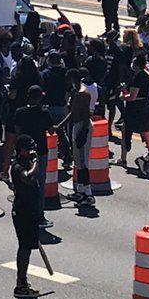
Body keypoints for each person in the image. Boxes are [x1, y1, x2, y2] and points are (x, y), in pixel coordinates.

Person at [13, 85, 55, 229]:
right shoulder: (44, 113)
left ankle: (25, 213)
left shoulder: (20, 112)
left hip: (22, 152)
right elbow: (50, 131)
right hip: (40, 152)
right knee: (39, 185)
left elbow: (17, 132)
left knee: (22, 185)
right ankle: (39, 216)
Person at [10, 135, 41, 298]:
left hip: (30, 211)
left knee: (28, 247)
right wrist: (36, 163)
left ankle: (23, 281)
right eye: (28, 148)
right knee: (25, 247)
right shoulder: (17, 167)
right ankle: (20, 284)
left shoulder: (27, 163)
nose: (31, 151)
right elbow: (28, 177)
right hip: (23, 212)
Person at [60, 69, 95, 206]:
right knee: (78, 162)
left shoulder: (82, 93)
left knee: (83, 162)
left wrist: (84, 132)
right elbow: (72, 112)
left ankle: (88, 194)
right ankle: (80, 191)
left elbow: (86, 114)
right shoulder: (76, 93)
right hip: (76, 124)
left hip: (82, 125)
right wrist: (60, 126)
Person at [119, 55, 149, 167]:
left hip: (135, 109)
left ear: (136, 65)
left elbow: (132, 96)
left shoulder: (137, 78)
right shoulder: (146, 76)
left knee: (125, 131)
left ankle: (123, 158)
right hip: (146, 106)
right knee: (146, 132)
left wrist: (122, 95)